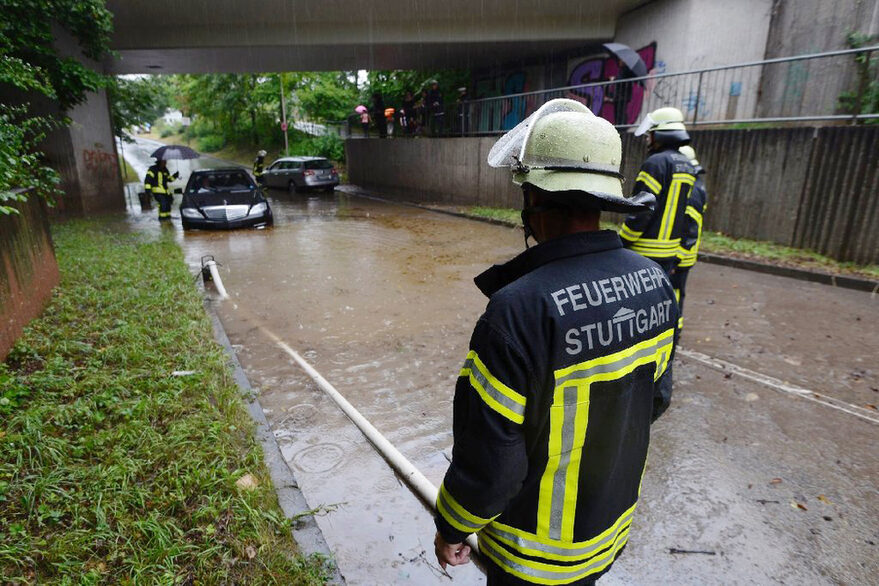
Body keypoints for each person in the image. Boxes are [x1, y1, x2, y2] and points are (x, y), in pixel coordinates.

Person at [433, 99, 677, 585]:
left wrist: (452, 525)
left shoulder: (518, 310)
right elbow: (656, 399)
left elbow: (493, 462)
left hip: (531, 557)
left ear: (534, 202)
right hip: (606, 534)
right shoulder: (655, 282)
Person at [619, 106, 695, 409]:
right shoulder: (687, 165)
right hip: (669, 253)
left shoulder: (655, 163)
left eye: (651, 133)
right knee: (659, 315)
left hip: (646, 250)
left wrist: (622, 240)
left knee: (631, 314)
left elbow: (642, 209)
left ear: (661, 133)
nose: (648, 138)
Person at [674, 145, 708, 331]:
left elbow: (690, 230)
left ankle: (675, 332)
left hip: (682, 256)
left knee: (675, 294)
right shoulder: (696, 185)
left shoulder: (692, 191)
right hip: (686, 254)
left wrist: (677, 257)